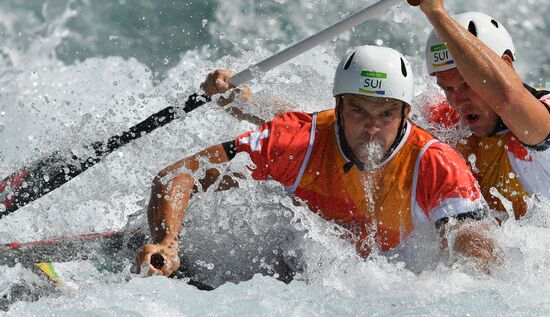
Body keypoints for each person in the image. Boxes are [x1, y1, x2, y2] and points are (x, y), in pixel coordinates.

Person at [136, 45, 497, 278]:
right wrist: (167, 242)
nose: (372, 127)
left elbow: (478, 262)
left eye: (386, 114)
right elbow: (180, 175)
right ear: (337, 107)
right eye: (358, 110)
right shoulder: (297, 140)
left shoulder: (436, 164)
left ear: (406, 115)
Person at [405, 0, 550, 220]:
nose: (458, 101)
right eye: (447, 88)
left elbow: (508, 99)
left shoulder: (541, 117)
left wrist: (436, 13)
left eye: (467, 84)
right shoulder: (446, 124)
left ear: (506, 66)